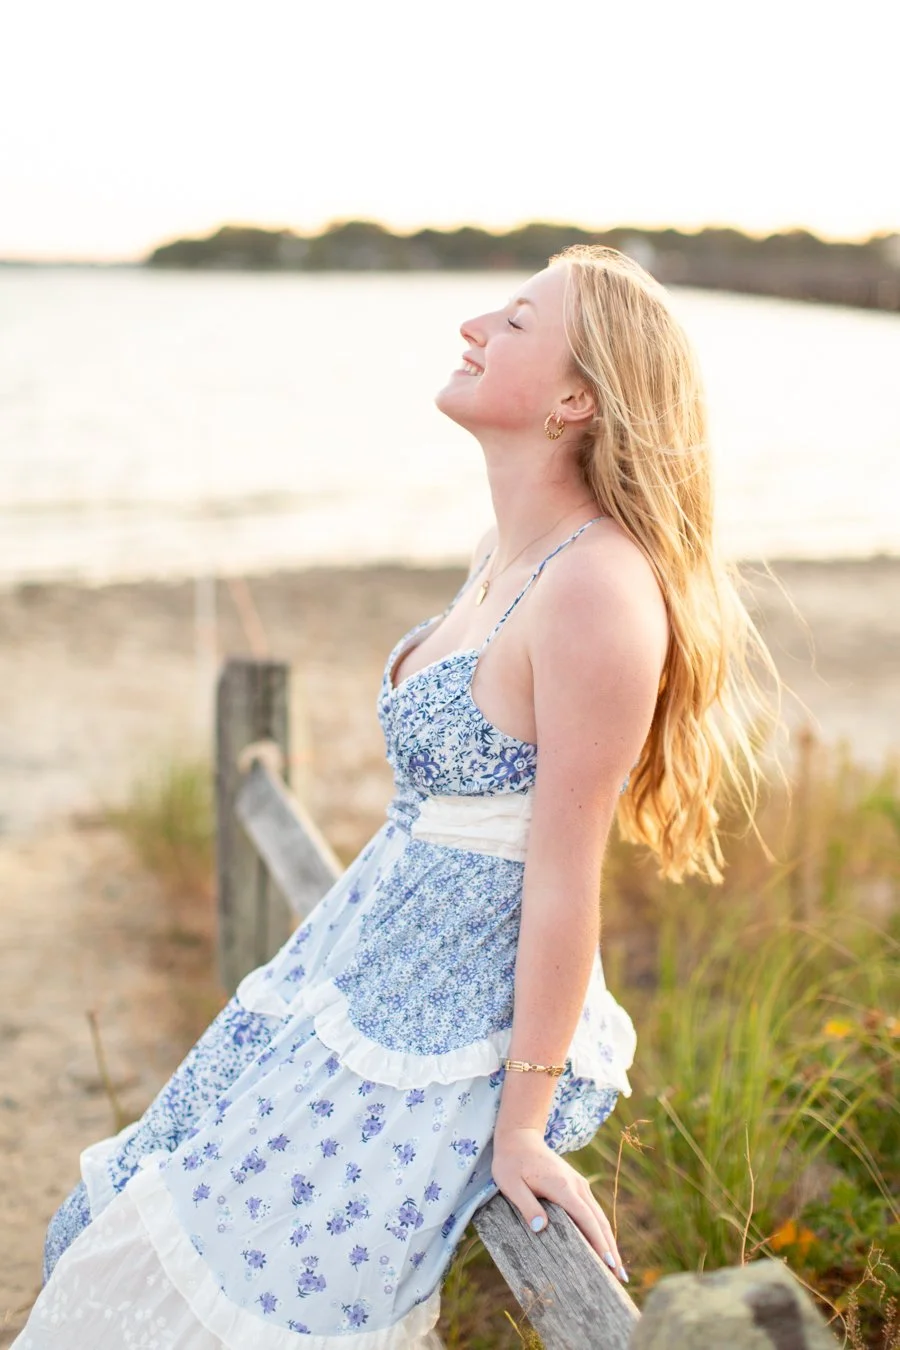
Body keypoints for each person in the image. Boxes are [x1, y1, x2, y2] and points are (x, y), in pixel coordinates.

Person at [13, 244, 776, 1347]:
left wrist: (522, 1127)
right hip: (355, 974)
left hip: (431, 1035)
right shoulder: (501, 552)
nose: (472, 325)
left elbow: (564, 879)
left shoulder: (600, 589)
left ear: (576, 398)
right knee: (145, 1232)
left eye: (514, 321)